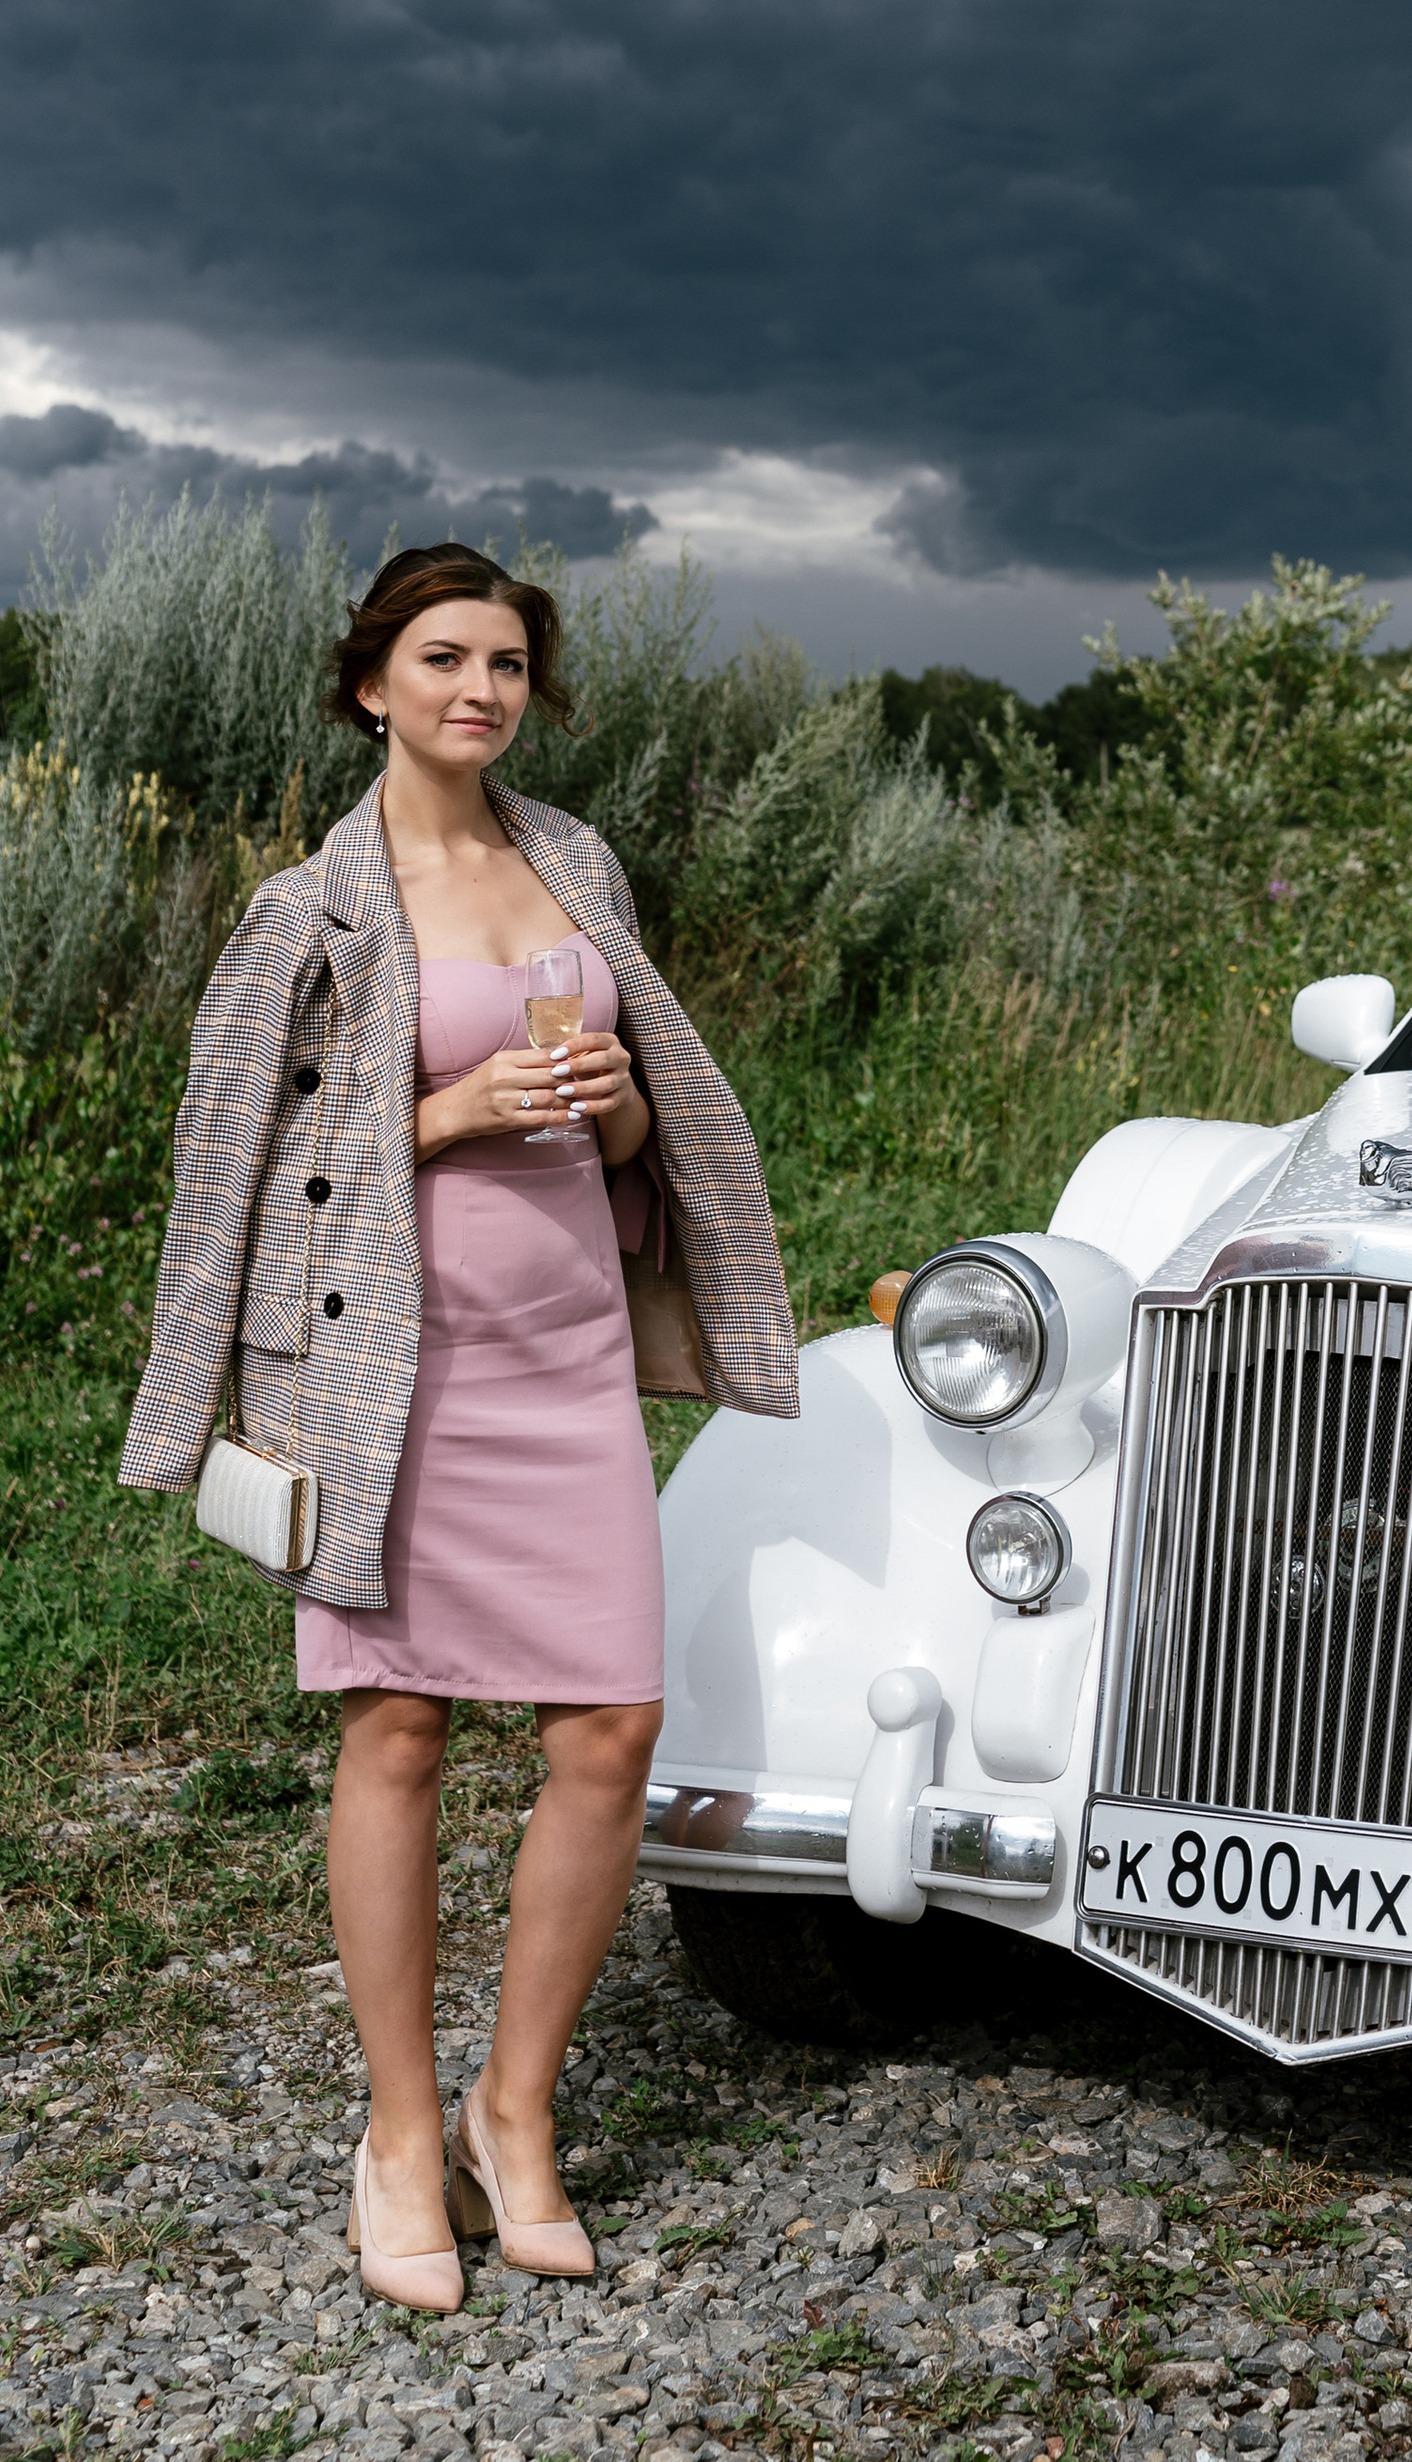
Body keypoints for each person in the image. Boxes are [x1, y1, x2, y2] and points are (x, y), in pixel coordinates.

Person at [121, 545, 800, 2313]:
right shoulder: (306, 912)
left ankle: (520, 2110)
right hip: (391, 1367)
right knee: (401, 1726)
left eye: (505, 662)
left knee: (610, 1725)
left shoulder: (572, 862)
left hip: (564, 1354)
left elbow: (638, 1136)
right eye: (441, 659)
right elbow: (233, 1176)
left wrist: (621, 1099)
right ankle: (403, 2134)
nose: (478, 690)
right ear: (371, 685)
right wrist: (450, 1108)